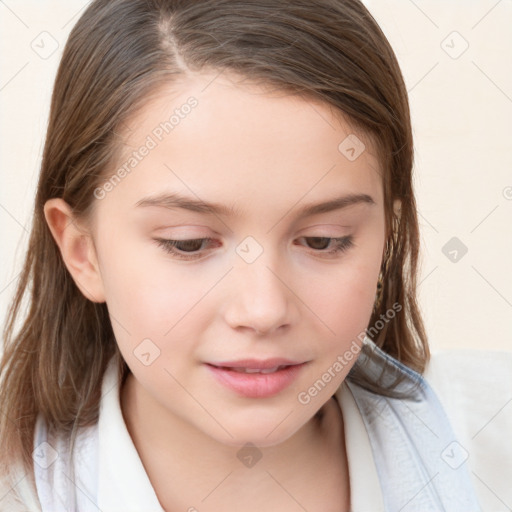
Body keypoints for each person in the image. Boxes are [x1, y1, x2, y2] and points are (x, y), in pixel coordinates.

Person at [0, 0, 510, 510]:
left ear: (383, 237)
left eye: (324, 240)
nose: (264, 309)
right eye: (189, 243)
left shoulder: (491, 439)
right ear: (82, 251)